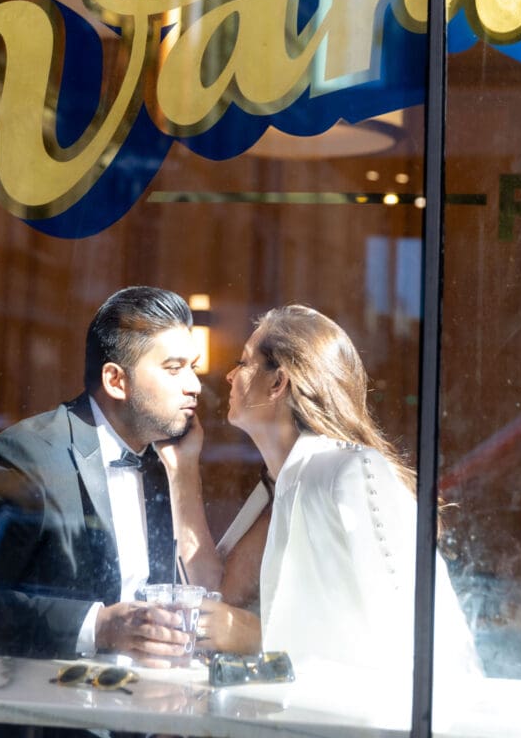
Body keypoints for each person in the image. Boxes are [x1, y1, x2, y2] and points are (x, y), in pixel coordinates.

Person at [193, 304, 480, 712]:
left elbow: (402, 643)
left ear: (278, 382)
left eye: (243, 362)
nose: (229, 375)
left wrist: (253, 635)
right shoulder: (273, 490)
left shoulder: (348, 471)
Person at [0, 286, 221, 661]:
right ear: (115, 381)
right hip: (44, 710)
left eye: (193, 367)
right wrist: (97, 626)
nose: (195, 385)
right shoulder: (24, 455)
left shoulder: (162, 459)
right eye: (174, 368)